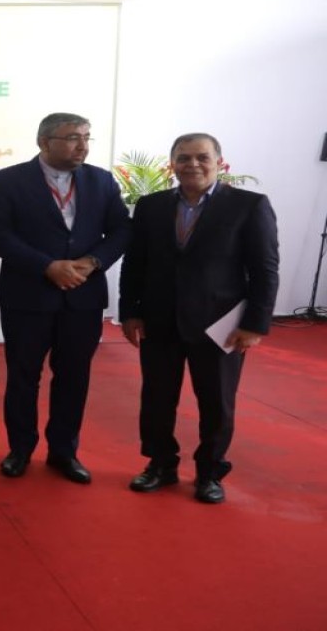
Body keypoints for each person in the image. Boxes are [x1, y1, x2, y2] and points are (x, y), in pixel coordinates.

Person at [119, 133, 279, 504]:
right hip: (160, 322)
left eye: (202, 157)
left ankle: (210, 472)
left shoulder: (249, 206)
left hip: (221, 327)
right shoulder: (150, 206)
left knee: (217, 404)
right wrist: (130, 311)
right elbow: (135, 264)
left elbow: (265, 269)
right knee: (156, 400)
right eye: (184, 158)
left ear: (219, 162)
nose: (192, 164)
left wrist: (255, 324)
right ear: (172, 163)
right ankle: (160, 465)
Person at [0, 112, 130, 483]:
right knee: (23, 378)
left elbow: (122, 231)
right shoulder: (6, 181)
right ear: (44, 142)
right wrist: (47, 266)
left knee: (74, 378)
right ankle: (20, 450)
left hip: (83, 296)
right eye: (72, 137)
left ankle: (64, 452)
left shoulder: (101, 180)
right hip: (28, 297)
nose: (82, 145)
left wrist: (93, 262)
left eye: (86, 137)